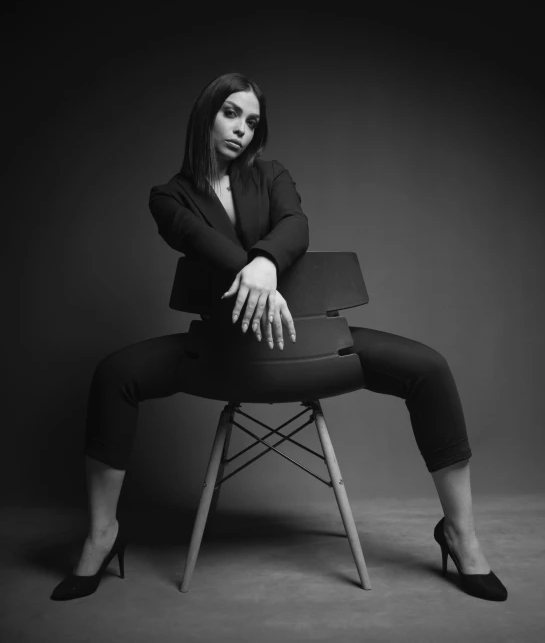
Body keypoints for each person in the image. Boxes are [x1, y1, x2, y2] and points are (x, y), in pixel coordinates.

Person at [51, 72, 507, 602]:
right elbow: (194, 238)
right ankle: (102, 534)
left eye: (252, 121)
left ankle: (461, 533)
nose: (242, 129)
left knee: (428, 367)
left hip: (311, 344)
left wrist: (267, 263)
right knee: (114, 374)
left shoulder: (270, 175)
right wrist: (254, 274)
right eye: (231, 113)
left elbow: (296, 224)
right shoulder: (168, 197)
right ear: (205, 114)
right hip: (221, 351)